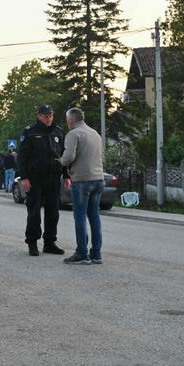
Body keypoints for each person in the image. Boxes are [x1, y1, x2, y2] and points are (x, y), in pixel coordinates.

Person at [17, 104, 69, 256]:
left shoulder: (58, 132)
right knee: (34, 211)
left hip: (53, 177)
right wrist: (24, 177)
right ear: (39, 116)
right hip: (34, 178)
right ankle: (32, 242)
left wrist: (66, 175)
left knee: (53, 212)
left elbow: (64, 156)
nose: (49, 118)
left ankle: (50, 242)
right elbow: (22, 157)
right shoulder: (30, 132)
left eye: (51, 115)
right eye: (46, 115)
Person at [59, 107, 104, 265]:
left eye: (67, 121)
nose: (67, 123)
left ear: (71, 120)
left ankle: (82, 253)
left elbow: (69, 156)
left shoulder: (73, 134)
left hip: (82, 180)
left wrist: (60, 161)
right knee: (94, 217)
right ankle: (96, 254)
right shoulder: (95, 134)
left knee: (80, 217)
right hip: (98, 179)